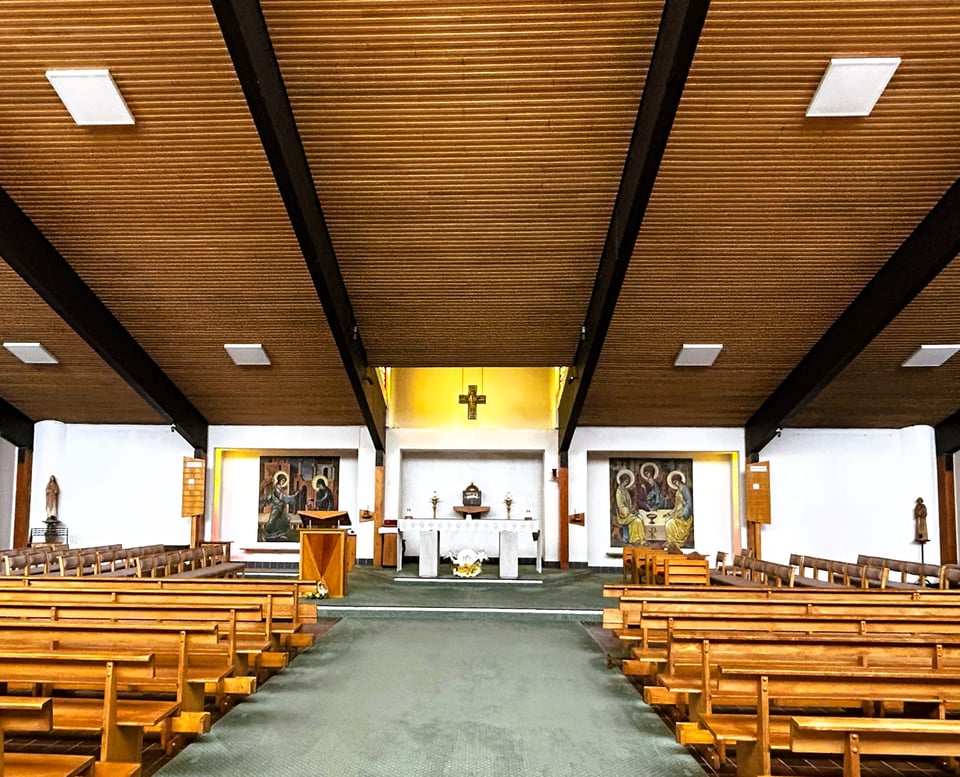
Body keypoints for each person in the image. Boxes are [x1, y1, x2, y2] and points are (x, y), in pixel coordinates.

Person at [260, 472, 300, 541]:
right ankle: (264, 535)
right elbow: (283, 498)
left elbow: (283, 497)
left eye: (284, 481)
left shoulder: (280, 489)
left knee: (285, 520)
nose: (283, 482)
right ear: (279, 480)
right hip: (276, 508)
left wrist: (292, 496)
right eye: (282, 481)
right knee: (271, 522)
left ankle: (278, 535)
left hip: (281, 508)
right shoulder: (276, 489)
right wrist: (293, 497)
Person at [614, 469, 644, 544]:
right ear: (621, 481)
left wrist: (632, 509)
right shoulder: (619, 492)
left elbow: (629, 504)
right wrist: (628, 510)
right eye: (625, 482)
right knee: (637, 521)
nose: (626, 483)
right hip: (623, 514)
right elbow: (620, 505)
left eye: (627, 482)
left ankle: (640, 538)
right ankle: (635, 539)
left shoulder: (625, 491)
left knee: (640, 517)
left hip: (628, 511)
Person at [665, 470, 693, 547]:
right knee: (667, 520)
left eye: (675, 481)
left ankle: (676, 542)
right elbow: (677, 505)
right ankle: (671, 541)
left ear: (679, 480)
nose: (675, 483)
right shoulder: (678, 491)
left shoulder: (685, 489)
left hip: (684, 516)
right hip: (677, 513)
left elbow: (689, 503)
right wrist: (671, 512)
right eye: (673, 482)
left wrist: (683, 513)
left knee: (669, 524)